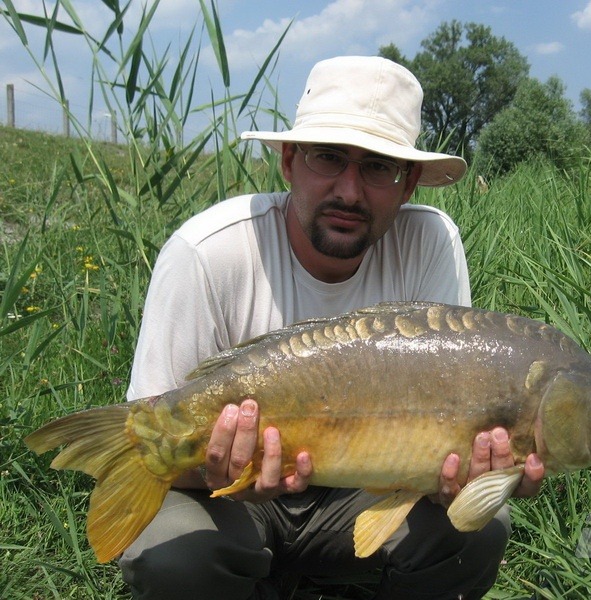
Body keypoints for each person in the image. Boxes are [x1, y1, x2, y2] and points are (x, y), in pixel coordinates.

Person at [120, 55, 544, 600]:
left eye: (377, 167)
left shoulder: (431, 243)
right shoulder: (207, 252)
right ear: (290, 161)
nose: (349, 190)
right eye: (329, 158)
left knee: (483, 526)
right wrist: (221, 471)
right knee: (175, 553)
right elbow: (148, 453)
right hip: (223, 496)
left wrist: (468, 477)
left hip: (361, 493)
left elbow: (445, 442)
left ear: (410, 181)